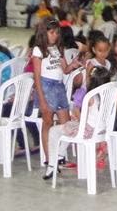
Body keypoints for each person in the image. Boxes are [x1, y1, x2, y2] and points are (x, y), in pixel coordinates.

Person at [32, 20, 81, 173]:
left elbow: (64, 70)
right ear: (44, 33)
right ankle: (49, 159)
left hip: (59, 86)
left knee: (66, 125)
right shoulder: (38, 50)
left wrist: (72, 66)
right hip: (46, 87)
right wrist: (42, 100)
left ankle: (58, 156)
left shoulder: (58, 48)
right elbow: (37, 77)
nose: (54, 35)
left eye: (56, 33)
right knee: (47, 124)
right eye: (51, 32)